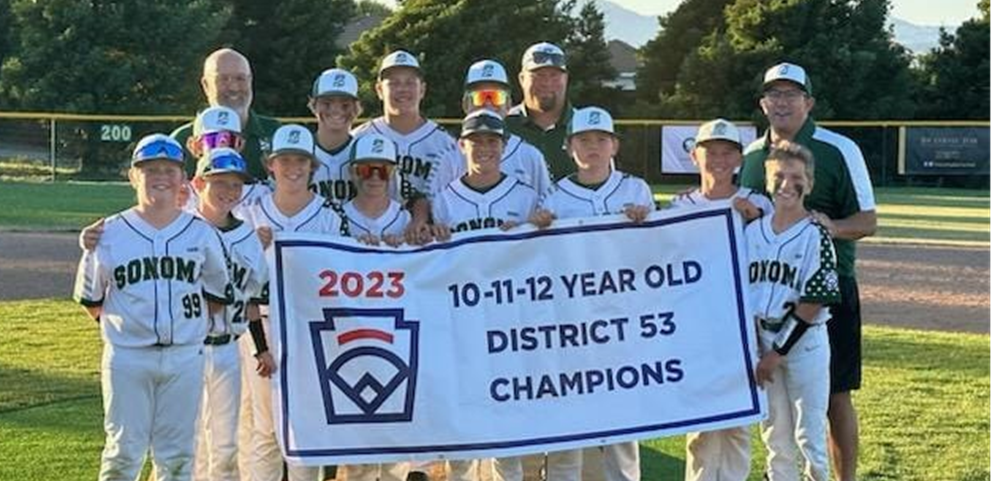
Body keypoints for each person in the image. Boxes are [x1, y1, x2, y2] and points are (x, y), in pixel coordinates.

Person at [739, 62, 876, 481]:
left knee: (834, 397)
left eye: (791, 94)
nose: (781, 102)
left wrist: (832, 227)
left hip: (828, 289)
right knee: (773, 410)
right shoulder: (751, 156)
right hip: (767, 293)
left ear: (809, 102)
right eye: (773, 94)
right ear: (763, 103)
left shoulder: (839, 148)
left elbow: (868, 221)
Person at [72, 134, 231, 481]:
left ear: (183, 177)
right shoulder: (108, 233)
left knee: (177, 458)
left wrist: (184, 328)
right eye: (150, 169)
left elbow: (217, 295)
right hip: (128, 357)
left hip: (185, 357)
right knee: (122, 454)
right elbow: (92, 301)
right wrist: (132, 326)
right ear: (133, 176)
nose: (160, 176)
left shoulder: (201, 234)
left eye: (169, 169)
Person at [530, 107, 652, 481]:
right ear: (569, 147)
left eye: (601, 139)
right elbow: (537, 259)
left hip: (622, 318)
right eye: (584, 139)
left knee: (623, 422)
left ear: (614, 144)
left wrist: (646, 222)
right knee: (570, 418)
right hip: (572, 321)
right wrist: (534, 227)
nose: (593, 146)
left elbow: (659, 254)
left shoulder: (636, 189)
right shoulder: (556, 196)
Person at [431, 110, 541, 481]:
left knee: (505, 426)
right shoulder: (445, 200)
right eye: (476, 141)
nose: (484, 148)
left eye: (492, 141)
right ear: (462, 146)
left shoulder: (526, 197)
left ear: (504, 146)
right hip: (461, 322)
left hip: (511, 324)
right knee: (462, 422)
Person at [669, 119, 771, 481]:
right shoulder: (680, 205)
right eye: (710, 152)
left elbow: (774, 254)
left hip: (743, 323)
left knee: (737, 419)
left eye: (727, 152)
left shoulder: (757, 202)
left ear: (740, 159)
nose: (719, 159)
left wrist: (755, 219)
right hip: (696, 322)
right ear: (695, 156)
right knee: (700, 418)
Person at [242, 124, 342, 481]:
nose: (293, 168)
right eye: (285, 160)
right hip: (263, 321)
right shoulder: (250, 215)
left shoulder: (329, 218)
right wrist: (258, 346)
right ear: (271, 164)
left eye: (301, 160)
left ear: (312, 165)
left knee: (307, 424)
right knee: (265, 428)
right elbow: (237, 283)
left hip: (311, 327)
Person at [748, 141, 841, 481]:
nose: (787, 183)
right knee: (775, 436)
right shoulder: (751, 231)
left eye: (796, 176)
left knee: (809, 435)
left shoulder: (816, 233)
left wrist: (776, 353)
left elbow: (813, 302)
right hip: (762, 340)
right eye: (779, 175)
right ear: (767, 180)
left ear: (810, 184)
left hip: (805, 346)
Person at [189, 148, 274, 481]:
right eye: (219, 182)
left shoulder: (248, 239)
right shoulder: (182, 230)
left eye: (236, 184)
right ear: (198, 183)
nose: (228, 191)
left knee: (227, 444)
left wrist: (259, 347)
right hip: (186, 347)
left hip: (227, 348)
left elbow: (252, 302)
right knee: (188, 438)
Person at [337, 133, 413, 481]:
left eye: (383, 170)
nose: (374, 177)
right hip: (350, 333)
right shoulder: (337, 217)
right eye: (367, 169)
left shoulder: (407, 220)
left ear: (394, 173)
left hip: (396, 333)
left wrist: (412, 242)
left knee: (396, 428)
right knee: (357, 428)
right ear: (354, 172)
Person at [352, 50, 463, 244]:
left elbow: (452, 200)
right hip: (369, 234)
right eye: (394, 83)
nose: (402, 89)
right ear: (379, 90)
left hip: (427, 239)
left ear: (422, 90)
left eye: (410, 82)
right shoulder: (359, 138)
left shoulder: (445, 143)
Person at [172, 48, 281, 180]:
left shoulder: (275, 133)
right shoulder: (180, 141)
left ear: (250, 81)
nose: (234, 87)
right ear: (206, 85)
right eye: (223, 79)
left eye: (240, 78)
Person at [462, 59, 551, 194]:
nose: (488, 104)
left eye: (496, 97)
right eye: (480, 97)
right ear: (465, 104)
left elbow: (547, 208)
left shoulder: (530, 156)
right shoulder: (450, 156)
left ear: (509, 105)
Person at [505, 42, 575, 181]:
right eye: (538, 75)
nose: (547, 83)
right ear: (522, 79)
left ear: (566, 79)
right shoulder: (503, 126)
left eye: (554, 75)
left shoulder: (584, 127)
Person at [309, 68, 364, 204]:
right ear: (314, 105)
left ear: (356, 108)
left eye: (345, 104)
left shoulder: (366, 152)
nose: (336, 110)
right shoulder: (299, 151)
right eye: (327, 103)